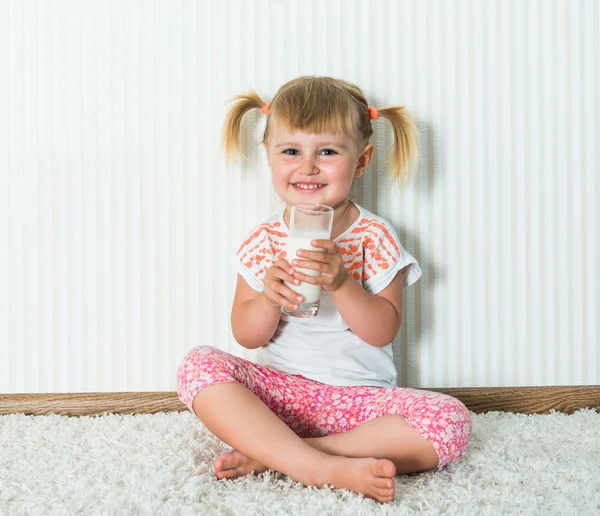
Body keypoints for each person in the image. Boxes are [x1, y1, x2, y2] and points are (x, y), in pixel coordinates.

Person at [177, 76, 472, 504]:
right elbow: (246, 335)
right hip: (282, 398)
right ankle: (317, 467)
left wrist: (342, 283)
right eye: (291, 151)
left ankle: (281, 455)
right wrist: (267, 300)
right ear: (270, 157)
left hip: (361, 405)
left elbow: (381, 331)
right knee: (197, 365)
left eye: (328, 152)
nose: (308, 166)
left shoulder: (375, 236)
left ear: (362, 160)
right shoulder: (263, 242)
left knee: (451, 420)